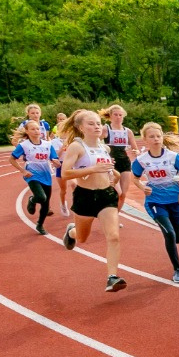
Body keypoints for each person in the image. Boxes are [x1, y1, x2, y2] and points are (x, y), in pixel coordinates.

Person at [58, 109, 125, 292]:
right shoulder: (76, 147)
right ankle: (71, 232)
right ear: (81, 127)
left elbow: (111, 172)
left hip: (106, 196)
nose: (96, 126)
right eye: (91, 123)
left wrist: (115, 176)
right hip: (85, 197)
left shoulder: (105, 147)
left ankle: (112, 277)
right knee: (82, 238)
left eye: (98, 123)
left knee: (113, 236)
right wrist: (93, 169)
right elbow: (65, 173)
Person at [131, 122, 179, 283]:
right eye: (152, 136)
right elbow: (135, 178)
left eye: (158, 136)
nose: (156, 139)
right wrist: (142, 187)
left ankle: (173, 242)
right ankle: (178, 270)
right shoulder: (141, 160)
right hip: (155, 202)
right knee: (169, 234)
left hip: (175, 200)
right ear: (145, 139)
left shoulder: (173, 157)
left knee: (178, 237)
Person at [10, 120, 56, 235]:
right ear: (27, 131)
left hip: (46, 174)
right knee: (41, 197)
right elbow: (11, 159)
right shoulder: (24, 145)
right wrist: (23, 170)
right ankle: (32, 200)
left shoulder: (48, 145)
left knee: (46, 204)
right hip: (32, 174)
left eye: (38, 128)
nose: (37, 131)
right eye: (33, 129)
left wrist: (56, 162)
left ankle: (40, 224)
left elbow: (54, 158)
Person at [100, 104, 141, 214]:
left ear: (123, 116)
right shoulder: (106, 129)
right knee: (116, 192)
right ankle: (105, 211)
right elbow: (95, 142)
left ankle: (115, 217)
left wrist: (136, 152)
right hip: (111, 163)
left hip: (124, 162)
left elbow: (135, 148)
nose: (118, 117)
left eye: (120, 115)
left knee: (123, 194)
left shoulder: (127, 131)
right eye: (115, 115)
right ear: (110, 116)